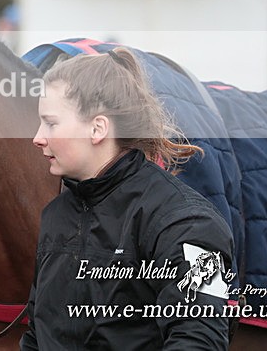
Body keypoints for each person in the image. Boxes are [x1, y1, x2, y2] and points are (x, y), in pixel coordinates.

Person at [20, 48, 234, 350]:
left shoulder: (189, 223)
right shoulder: (56, 215)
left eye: (51, 123)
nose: (38, 137)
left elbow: (200, 341)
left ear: (97, 128)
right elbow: (36, 336)